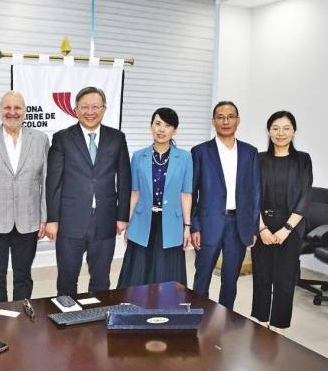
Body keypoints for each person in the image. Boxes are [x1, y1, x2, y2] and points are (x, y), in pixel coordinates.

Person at [46, 86, 131, 296]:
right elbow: (53, 182)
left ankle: (98, 323)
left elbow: (124, 179)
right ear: (76, 110)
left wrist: (122, 216)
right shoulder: (62, 138)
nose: (90, 111)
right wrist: (52, 219)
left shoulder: (117, 138)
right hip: (70, 220)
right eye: (84, 107)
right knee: (67, 280)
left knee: (101, 280)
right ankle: (66, 321)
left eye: (95, 106)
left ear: (104, 109)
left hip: (105, 219)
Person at [0, 90, 49, 303]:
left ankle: (22, 319)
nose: (12, 112)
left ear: (25, 112)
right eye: (7, 108)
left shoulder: (40, 139)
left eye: (17, 108)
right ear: (0, 111)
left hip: (29, 221)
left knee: (23, 276)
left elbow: (45, 182)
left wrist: (44, 218)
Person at [191, 101, 261, 309]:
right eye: (220, 117)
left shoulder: (250, 152)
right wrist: (195, 226)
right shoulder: (200, 151)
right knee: (202, 277)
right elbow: (191, 192)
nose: (225, 121)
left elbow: (255, 192)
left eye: (230, 116)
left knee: (230, 280)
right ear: (213, 121)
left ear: (238, 121)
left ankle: (225, 322)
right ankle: (197, 319)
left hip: (238, 225)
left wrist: (253, 227)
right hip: (208, 223)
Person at [117, 107, 192, 288]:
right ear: (150, 126)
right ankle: (133, 312)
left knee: (168, 275)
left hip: (171, 223)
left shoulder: (184, 157)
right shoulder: (138, 156)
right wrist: (127, 222)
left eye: (167, 125)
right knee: (137, 272)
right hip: (143, 221)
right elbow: (134, 192)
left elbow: (186, 193)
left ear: (175, 129)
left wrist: (187, 226)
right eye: (157, 124)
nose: (161, 129)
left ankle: (168, 312)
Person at [252, 111, 312, 332]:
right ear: (268, 131)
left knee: (285, 280)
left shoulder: (302, 160)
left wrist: (286, 229)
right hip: (263, 227)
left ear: (294, 132)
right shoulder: (258, 159)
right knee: (262, 276)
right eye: (276, 128)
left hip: (291, 228)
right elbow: (252, 196)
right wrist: (262, 229)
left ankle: (278, 326)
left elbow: (305, 196)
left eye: (286, 128)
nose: (281, 133)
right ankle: (261, 321)